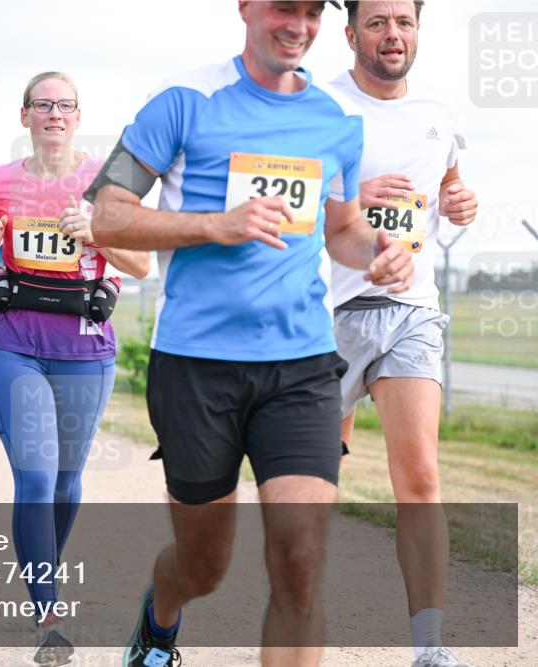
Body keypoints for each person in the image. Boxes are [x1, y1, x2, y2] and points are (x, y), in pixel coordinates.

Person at [84, 2, 418, 665]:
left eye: (311, 11)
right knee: (204, 563)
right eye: (282, 8)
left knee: (300, 557)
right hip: (195, 366)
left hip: (300, 366)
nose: (297, 24)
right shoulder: (182, 103)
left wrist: (380, 247)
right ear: (246, 7)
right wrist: (215, 223)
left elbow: (340, 229)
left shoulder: (334, 121)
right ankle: (161, 615)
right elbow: (106, 216)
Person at [0, 71, 150, 665]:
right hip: (15, 341)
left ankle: (42, 565)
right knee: (35, 476)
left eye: (65, 105)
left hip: (85, 346)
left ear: (78, 114)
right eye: (44, 105)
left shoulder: (106, 178)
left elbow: (140, 264)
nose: (55, 114)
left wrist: (98, 232)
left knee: (65, 481)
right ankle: (48, 613)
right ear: (25, 116)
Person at [332, 3, 478, 666]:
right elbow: (280, 195)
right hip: (324, 313)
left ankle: (429, 645)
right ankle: (297, 605)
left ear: (417, 31)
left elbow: (448, 185)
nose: (393, 33)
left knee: (420, 474)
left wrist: (461, 202)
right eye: (378, 21)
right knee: (313, 481)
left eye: (405, 21)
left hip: (410, 309)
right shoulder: (319, 106)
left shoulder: (438, 117)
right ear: (351, 33)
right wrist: (351, 194)